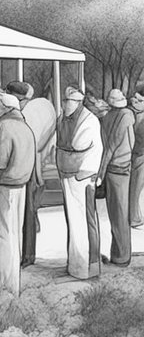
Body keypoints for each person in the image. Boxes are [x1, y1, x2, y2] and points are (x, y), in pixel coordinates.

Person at [0, 92, 36, 294]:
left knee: (5, 236)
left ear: (4, 107)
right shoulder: (25, 126)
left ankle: (6, 286)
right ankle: (14, 284)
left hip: (5, 186)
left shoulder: (2, 126)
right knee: (16, 233)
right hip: (21, 185)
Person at [8, 82, 57, 266]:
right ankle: (25, 255)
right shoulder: (30, 112)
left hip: (24, 172)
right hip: (27, 172)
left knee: (25, 213)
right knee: (25, 213)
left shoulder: (28, 115)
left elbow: (33, 146)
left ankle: (26, 256)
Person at [57, 88, 103, 280]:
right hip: (68, 176)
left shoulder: (88, 120)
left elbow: (78, 145)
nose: (65, 103)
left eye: (69, 100)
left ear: (78, 101)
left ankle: (88, 268)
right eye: (64, 99)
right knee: (73, 222)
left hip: (82, 178)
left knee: (84, 220)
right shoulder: (63, 118)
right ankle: (75, 265)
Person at [99, 89, 135, 266]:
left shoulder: (110, 117)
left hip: (114, 169)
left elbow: (109, 146)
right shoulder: (125, 115)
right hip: (121, 168)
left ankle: (119, 255)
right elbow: (122, 143)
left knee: (117, 213)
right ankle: (120, 256)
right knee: (120, 213)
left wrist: (101, 171)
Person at [131, 86, 144, 228]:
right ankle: (134, 217)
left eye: (139, 100)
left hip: (141, 156)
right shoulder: (131, 115)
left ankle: (136, 217)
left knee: (137, 189)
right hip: (134, 156)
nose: (135, 102)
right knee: (134, 188)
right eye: (134, 98)